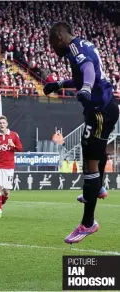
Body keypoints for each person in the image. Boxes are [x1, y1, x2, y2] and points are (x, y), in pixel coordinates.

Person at [44, 22, 119, 244]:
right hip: (107, 108)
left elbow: (87, 69)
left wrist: (86, 88)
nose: (52, 49)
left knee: (89, 165)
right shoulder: (81, 45)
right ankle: (99, 188)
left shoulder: (76, 50)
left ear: (59, 37)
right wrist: (59, 84)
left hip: (99, 112)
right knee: (98, 152)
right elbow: (84, 73)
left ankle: (88, 223)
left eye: (51, 44)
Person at [0, 116, 22, 218]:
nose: (2, 125)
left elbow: (20, 149)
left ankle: (1, 203)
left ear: (7, 124)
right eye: (0, 123)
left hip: (9, 166)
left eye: (3, 123)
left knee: (6, 192)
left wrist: (13, 145)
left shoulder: (13, 135)